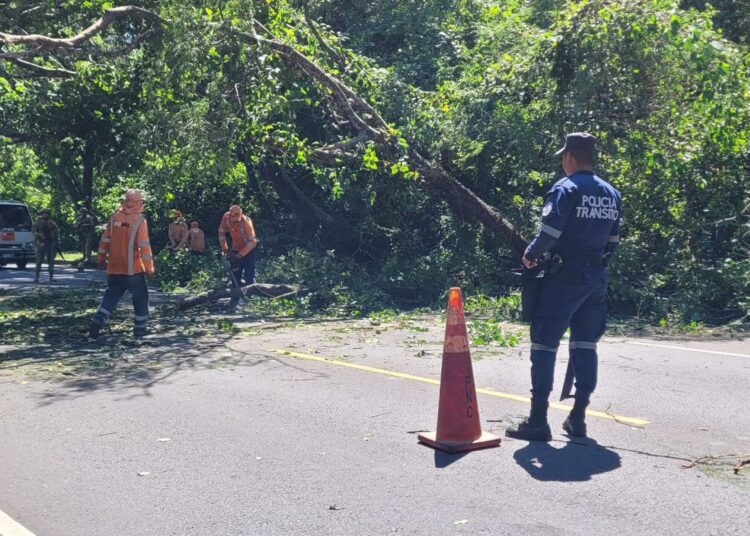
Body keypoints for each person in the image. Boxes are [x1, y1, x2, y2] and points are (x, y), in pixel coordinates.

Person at [506, 132, 622, 441]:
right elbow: (613, 242)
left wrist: (531, 254)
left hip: (564, 277)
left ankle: (538, 421)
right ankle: (578, 418)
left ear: (569, 156)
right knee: (585, 344)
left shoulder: (565, 189)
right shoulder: (611, 194)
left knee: (544, 342)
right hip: (595, 278)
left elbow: (550, 231)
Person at [88, 189, 155, 339]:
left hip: (114, 267)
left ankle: (98, 319)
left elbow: (105, 240)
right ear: (138, 203)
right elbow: (144, 246)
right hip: (133, 270)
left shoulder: (114, 218)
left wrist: (100, 258)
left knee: (112, 294)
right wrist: (150, 269)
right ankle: (140, 329)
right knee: (140, 297)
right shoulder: (139, 220)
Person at [218, 205, 258, 308]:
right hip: (235, 249)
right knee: (235, 275)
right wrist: (225, 249)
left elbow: (253, 241)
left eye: (237, 216)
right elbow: (221, 233)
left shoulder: (246, 221)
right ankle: (234, 300)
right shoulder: (226, 217)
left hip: (249, 250)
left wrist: (241, 255)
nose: (235, 219)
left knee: (249, 276)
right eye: (233, 216)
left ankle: (251, 300)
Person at [31, 208, 58, 283]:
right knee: (39, 260)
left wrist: (55, 243)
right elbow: (33, 231)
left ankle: (51, 277)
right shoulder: (37, 223)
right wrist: (39, 235)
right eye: (44, 213)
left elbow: (56, 234)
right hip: (41, 243)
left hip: (50, 244)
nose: (45, 215)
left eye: (46, 213)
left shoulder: (52, 224)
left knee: (51, 261)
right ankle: (37, 277)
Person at [75, 206, 95, 271]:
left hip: (88, 233)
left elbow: (92, 225)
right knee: (82, 245)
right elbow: (75, 225)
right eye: (81, 212)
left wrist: (84, 225)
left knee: (88, 245)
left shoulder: (89, 218)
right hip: (82, 234)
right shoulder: (79, 218)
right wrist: (77, 226)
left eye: (84, 212)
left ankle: (88, 257)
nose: (82, 213)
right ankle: (84, 256)